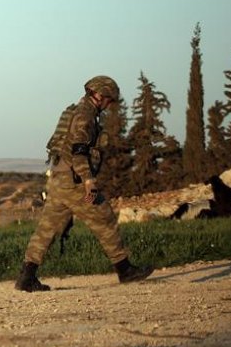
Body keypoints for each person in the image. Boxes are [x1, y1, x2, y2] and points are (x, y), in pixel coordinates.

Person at [15, 76, 153, 292]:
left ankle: (27, 276)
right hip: (75, 180)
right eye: (109, 100)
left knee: (46, 229)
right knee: (105, 219)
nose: (110, 105)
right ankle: (125, 270)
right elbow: (79, 150)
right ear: (98, 96)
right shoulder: (85, 116)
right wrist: (89, 180)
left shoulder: (76, 110)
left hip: (59, 179)